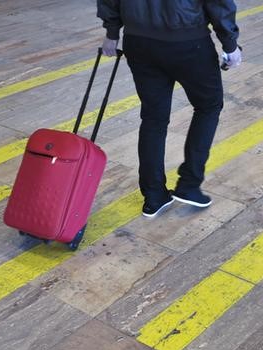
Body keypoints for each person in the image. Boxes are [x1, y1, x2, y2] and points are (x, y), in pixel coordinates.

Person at [97, 0, 242, 218]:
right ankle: (189, 184)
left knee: (153, 118)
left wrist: (112, 31)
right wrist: (230, 44)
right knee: (208, 106)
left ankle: (154, 195)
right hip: (188, 41)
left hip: (139, 41)